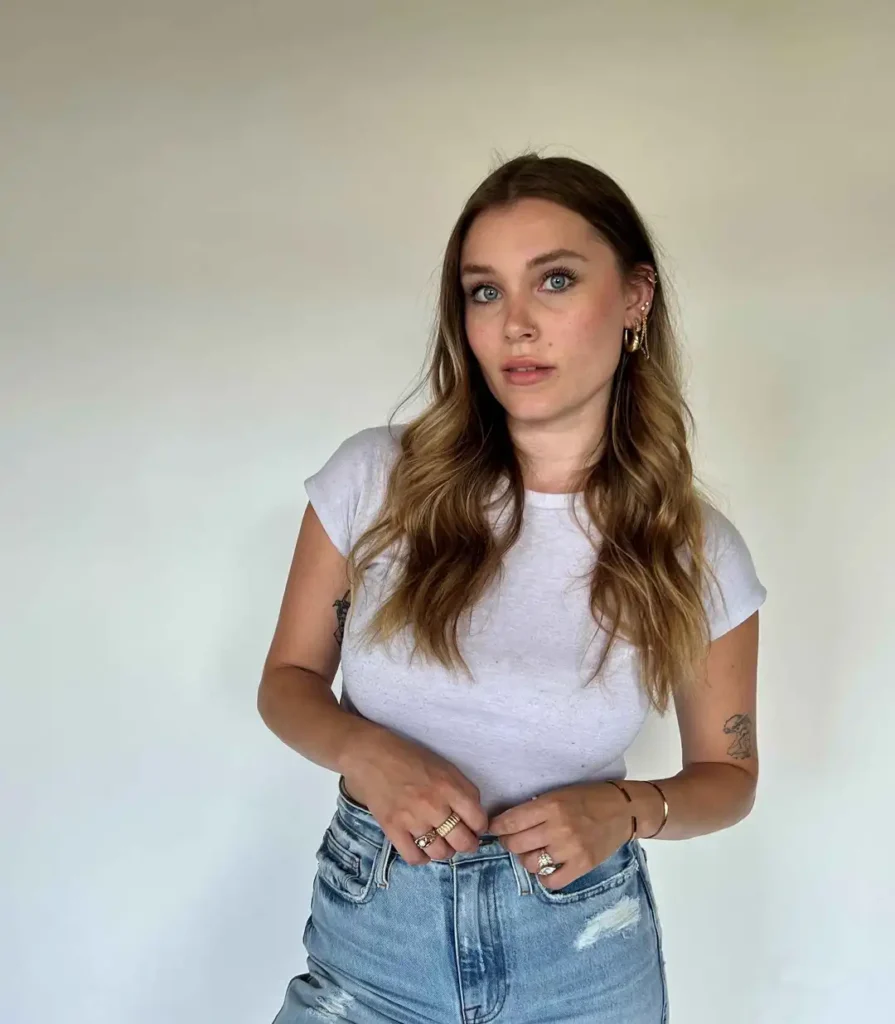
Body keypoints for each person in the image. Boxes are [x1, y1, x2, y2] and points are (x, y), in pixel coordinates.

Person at [258, 153, 767, 1024]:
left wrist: (623, 809)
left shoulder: (693, 551)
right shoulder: (375, 480)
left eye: (555, 281)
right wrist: (366, 753)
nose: (515, 326)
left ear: (634, 299)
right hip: (373, 944)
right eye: (483, 291)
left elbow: (728, 775)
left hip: (582, 961)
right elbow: (287, 684)